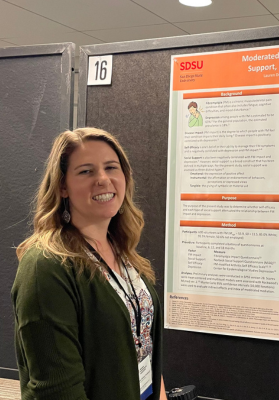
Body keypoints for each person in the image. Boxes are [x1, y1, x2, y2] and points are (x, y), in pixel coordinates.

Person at [11, 128, 167, 399]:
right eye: (86, 171)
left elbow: (146, 349)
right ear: (62, 186)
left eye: (111, 167)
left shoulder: (123, 251)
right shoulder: (46, 267)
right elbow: (58, 391)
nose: (103, 179)